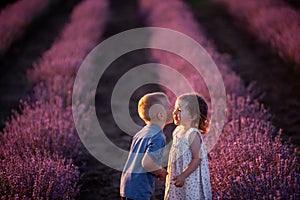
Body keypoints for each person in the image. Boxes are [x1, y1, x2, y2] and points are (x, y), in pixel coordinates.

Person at [120, 92, 173, 200]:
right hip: (139, 189)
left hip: (127, 185)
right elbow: (147, 163)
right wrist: (160, 171)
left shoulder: (141, 133)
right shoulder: (158, 136)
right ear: (160, 115)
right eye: (169, 107)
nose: (172, 110)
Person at [164, 93, 212, 200]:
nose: (174, 112)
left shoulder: (192, 134)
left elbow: (197, 158)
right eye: (175, 108)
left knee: (189, 196)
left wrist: (184, 175)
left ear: (193, 116)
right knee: (177, 195)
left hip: (190, 177)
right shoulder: (178, 130)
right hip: (178, 171)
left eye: (179, 110)